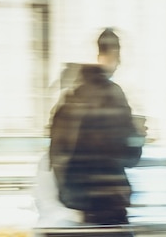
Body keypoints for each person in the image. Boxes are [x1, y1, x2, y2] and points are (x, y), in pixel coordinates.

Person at [49, 28, 145, 225]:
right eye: (118, 56)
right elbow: (129, 155)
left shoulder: (70, 97)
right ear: (114, 54)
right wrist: (139, 134)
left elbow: (57, 151)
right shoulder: (112, 95)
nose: (119, 63)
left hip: (79, 202)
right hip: (109, 201)